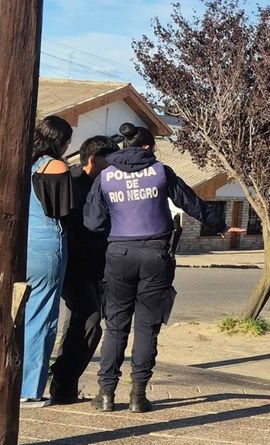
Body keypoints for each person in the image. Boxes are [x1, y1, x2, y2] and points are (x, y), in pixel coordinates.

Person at [84, 123, 244, 413]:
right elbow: (191, 202)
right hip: (156, 254)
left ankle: (106, 394)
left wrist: (117, 228)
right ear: (146, 147)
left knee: (116, 326)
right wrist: (219, 226)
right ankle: (138, 396)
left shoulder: (105, 176)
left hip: (118, 253)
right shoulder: (161, 172)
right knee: (147, 326)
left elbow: (92, 222)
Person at [49, 136, 119, 404]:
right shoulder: (73, 183)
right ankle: (62, 382)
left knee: (82, 324)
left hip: (99, 266)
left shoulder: (107, 184)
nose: (114, 166)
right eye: (108, 160)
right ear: (93, 159)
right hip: (74, 264)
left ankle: (64, 387)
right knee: (90, 321)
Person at [22, 116, 74, 407]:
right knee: (41, 317)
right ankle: (29, 388)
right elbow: (64, 212)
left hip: (18, 244)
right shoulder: (55, 166)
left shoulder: (22, 163)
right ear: (61, 141)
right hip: (46, 245)